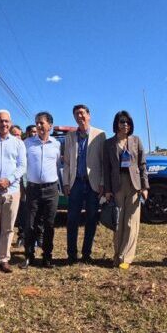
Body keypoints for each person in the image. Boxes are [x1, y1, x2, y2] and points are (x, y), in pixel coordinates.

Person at [103, 111, 149, 269]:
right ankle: (117, 255)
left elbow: (142, 165)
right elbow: (106, 168)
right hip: (117, 186)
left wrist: (145, 186)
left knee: (132, 223)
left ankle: (126, 258)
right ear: (116, 124)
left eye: (128, 122)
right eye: (122, 122)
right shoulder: (108, 144)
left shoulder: (136, 141)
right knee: (118, 222)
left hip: (134, 185)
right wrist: (107, 190)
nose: (125, 125)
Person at [0, 110, 26, 273]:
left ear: (11, 122)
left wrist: (8, 180)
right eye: (0, 121)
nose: (4, 124)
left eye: (6, 121)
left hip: (12, 190)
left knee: (8, 227)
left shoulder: (18, 143)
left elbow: (22, 166)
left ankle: (4, 259)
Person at [63, 104, 106, 264]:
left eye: (82, 113)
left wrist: (102, 182)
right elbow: (67, 162)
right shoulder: (70, 137)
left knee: (91, 219)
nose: (79, 117)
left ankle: (86, 253)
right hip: (75, 184)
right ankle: (71, 255)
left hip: (92, 184)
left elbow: (103, 162)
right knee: (72, 219)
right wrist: (66, 182)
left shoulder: (100, 135)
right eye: (76, 114)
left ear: (89, 115)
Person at [21, 111, 61, 269]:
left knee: (49, 224)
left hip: (51, 189)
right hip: (33, 189)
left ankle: (47, 257)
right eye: (36, 123)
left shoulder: (57, 144)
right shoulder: (28, 143)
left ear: (50, 125)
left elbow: (57, 165)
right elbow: (22, 165)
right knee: (30, 224)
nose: (38, 126)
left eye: (41, 123)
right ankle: (29, 256)